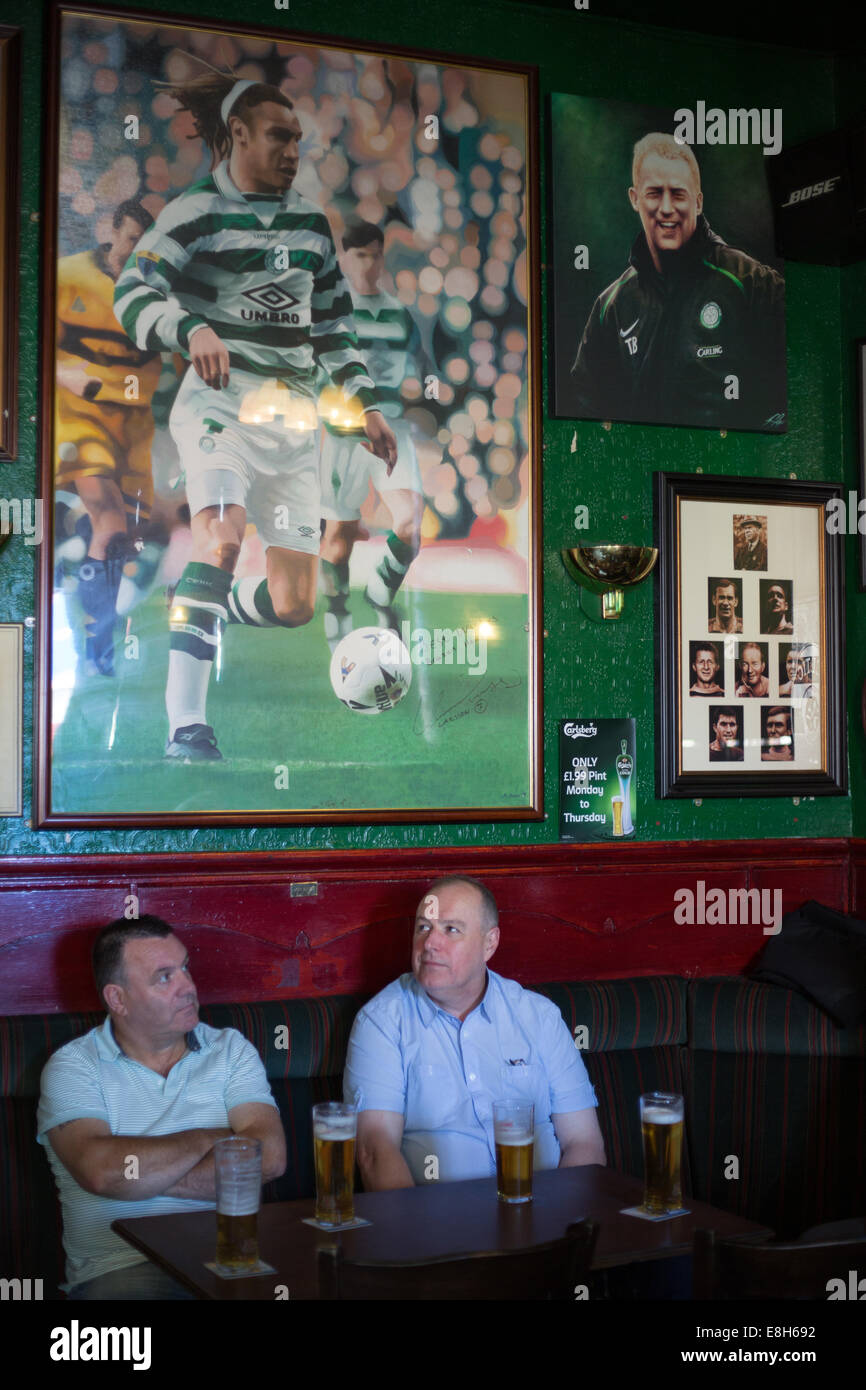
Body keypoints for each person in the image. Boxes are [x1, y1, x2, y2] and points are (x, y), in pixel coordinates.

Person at [114, 74, 397, 761]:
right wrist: (189, 329)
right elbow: (132, 290)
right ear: (238, 133)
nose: (293, 150)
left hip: (294, 429)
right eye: (279, 135)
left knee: (295, 604)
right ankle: (186, 725)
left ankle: (202, 604)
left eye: (298, 139)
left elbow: (334, 329)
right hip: (221, 412)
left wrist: (364, 405)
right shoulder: (196, 211)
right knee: (221, 541)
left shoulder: (309, 225)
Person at [37, 915, 286, 1300]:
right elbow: (102, 1173)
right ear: (117, 999)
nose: (188, 986)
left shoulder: (230, 1050)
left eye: (185, 967)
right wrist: (213, 1139)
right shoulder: (74, 1067)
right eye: (164, 977)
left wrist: (139, 1181)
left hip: (232, 1258)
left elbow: (268, 1158)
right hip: (124, 1268)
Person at [343, 876, 606, 1190]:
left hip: (547, 1217)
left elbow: (584, 1142)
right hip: (437, 1229)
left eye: (451, 929)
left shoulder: (539, 1017)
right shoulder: (381, 1022)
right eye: (423, 927)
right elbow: (375, 1150)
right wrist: (415, 1237)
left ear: (489, 943)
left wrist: (556, 1226)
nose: (429, 943)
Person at [569, 133, 786, 430]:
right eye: (655, 193)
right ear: (635, 199)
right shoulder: (612, 306)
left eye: (678, 194)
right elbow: (583, 413)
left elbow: (788, 400)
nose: (667, 208)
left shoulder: (751, 283)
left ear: (698, 203)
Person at [55, 200, 166, 676]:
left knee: (135, 534)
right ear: (112, 230)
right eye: (130, 238)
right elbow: (32, 343)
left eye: (145, 244)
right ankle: (96, 644)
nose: (136, 250)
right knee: (110, 517)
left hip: (133, 422)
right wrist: (68, 374)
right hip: (80, 414)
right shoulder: (67, 277)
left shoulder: (157, 294)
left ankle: (83, 546)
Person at [318, 218, 424, 646]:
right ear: (344, 259)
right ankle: (338, 614)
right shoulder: (330, 312)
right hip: (344, 435)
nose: (367, 263)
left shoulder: (400, 314)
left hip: (393, 431)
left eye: (374, 254)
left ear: (383, 256)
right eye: (359, 255)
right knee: (339, 539)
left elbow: (421, 368)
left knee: (410, 523)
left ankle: (380, 599)